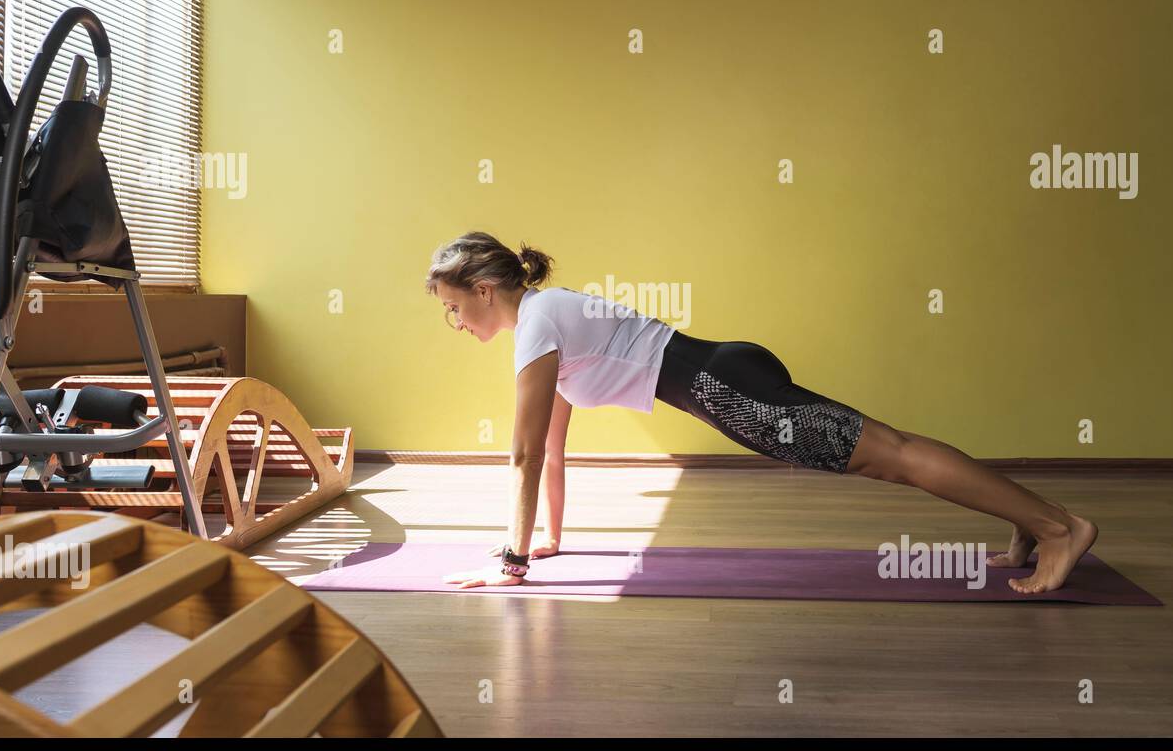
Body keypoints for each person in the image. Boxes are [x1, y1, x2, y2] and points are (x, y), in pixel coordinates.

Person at [426, 231, 1097, 594]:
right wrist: (546, 541)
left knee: (890, 457)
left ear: (485, 290)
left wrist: (510, 562)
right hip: (725, 370)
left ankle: (1059, 528)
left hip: (727, 390)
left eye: (453, 306)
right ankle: (1032, 522)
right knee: (892, 451)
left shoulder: (540, 324)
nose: (453, 321)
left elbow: (521, 453)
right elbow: (549, 450)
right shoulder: (548, 317)